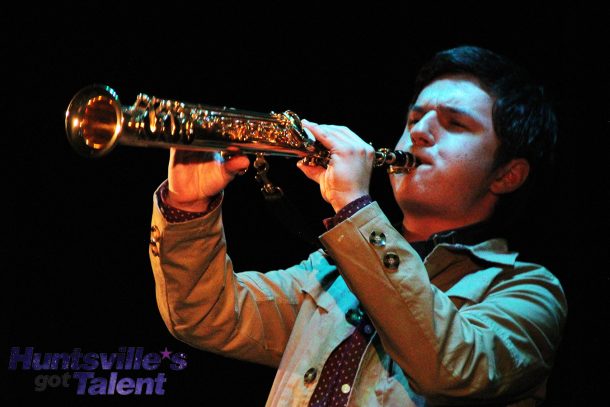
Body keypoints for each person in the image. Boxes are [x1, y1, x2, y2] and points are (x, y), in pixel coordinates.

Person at [148, 46, 567, 406]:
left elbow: (451, 366)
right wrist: (188, 205)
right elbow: (204, 315)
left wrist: (354, 207)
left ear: (507, 174)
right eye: (415, 117)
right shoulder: (333, 272)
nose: (418, 132)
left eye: (455, 124)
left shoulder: (529, 291)